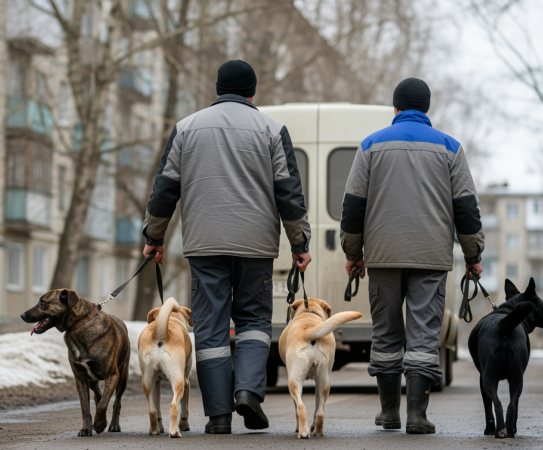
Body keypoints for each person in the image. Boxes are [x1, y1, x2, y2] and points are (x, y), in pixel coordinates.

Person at [141, 59, 312, 434]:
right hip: (256, 246)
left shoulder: (186, 128)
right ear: (253, 92)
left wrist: (154, 237)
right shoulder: (271, 129)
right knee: (252, 322)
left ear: (218, 89)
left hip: (205, 245)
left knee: (212, 329)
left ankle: (218, 416)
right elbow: (289, 191)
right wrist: (299, 242)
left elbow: (165, 188)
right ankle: (248, 391)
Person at [339, 78, 485, 434]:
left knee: (387, 333)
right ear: (426, 109)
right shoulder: (450, 148)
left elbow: (353, 206)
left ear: (396, 108)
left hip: (383, 254)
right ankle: (417, 416)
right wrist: (473, 254)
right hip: (430, 257)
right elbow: (466, 208)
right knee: (423, 335)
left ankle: (389, 412)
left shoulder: (371, 145)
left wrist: (353, 252)